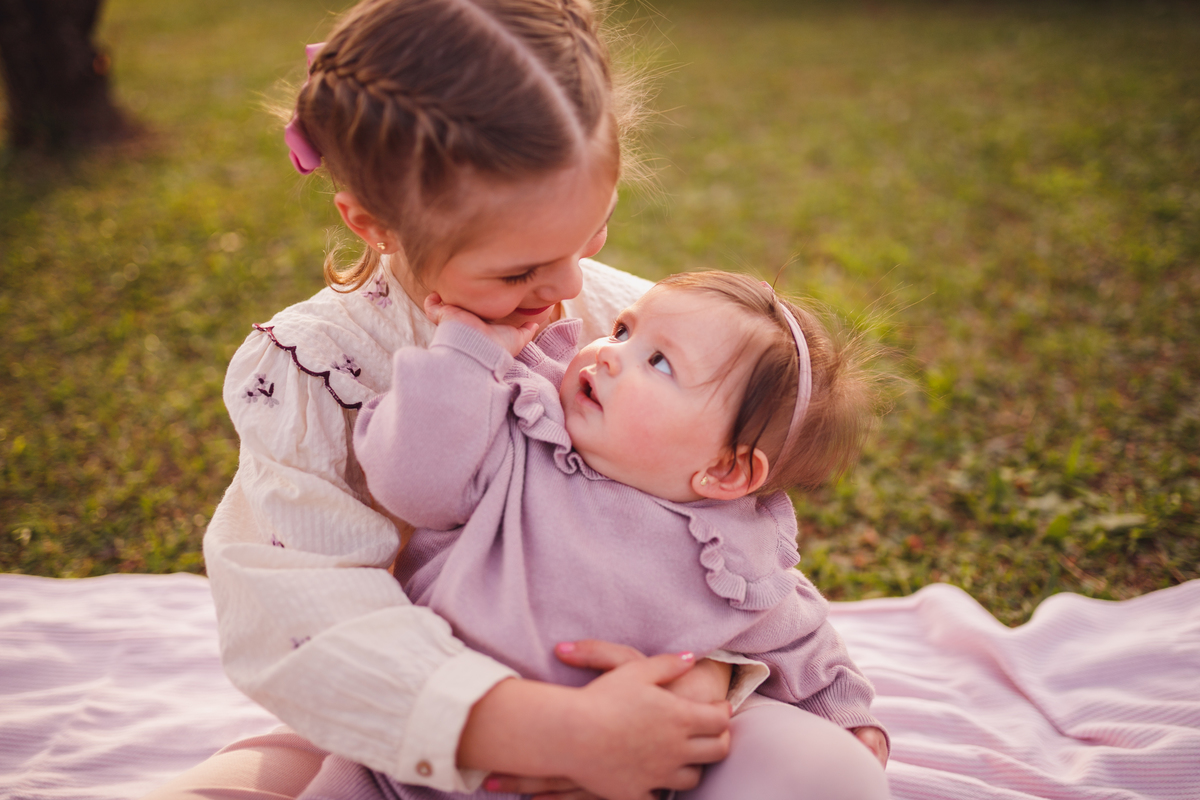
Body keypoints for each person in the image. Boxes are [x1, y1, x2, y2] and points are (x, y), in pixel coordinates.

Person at [144, 1, 748, 799]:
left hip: (623, 684)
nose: (566, 288)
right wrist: (551, 733)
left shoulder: (623, 325)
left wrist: (691, 683)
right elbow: (307, 613)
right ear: (375, 225)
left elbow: (730, 508)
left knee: (817, 773)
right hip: (416, 729)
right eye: (516, 271)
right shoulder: (321, 369)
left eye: (590, 235)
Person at [313, 271, 891, 800]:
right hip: (420, 765)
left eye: (659, 363)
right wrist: (464, 354)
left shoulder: (727, 554)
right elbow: (411, 480)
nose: (610, 355)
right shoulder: (521, 427)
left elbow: (801, 642)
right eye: (621, 330)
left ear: (725, 471)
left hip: (605, 779)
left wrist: (850, 721)